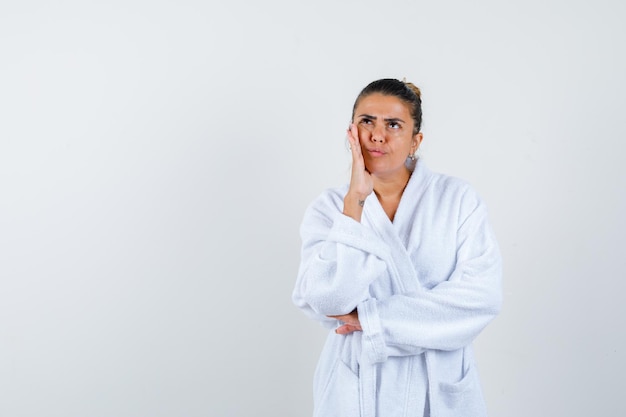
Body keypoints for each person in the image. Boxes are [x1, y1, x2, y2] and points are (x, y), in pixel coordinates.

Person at [292, 78, 502, 417]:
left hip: (436, 383)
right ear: (351, 132)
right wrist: (355, 203)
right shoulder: (330, 208)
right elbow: (325, 301)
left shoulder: (457, 200)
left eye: (393, 124)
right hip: (358, 383)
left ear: (415, 141)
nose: (377, 135)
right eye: (367, 121)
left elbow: (482, 298)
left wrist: (373, 319)